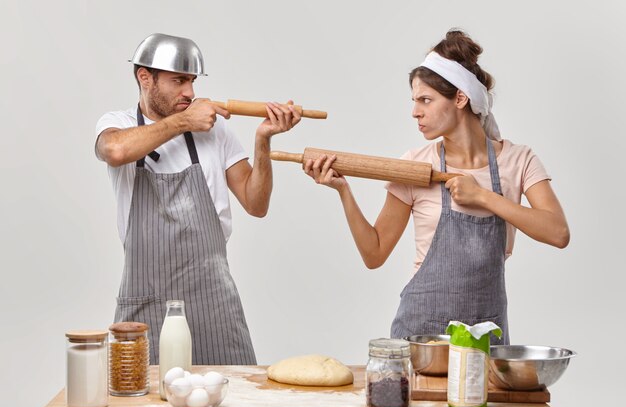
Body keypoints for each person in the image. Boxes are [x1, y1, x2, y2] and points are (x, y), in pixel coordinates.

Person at [303, 30, 569, 344]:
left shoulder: (518, 160)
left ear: (460, 97)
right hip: (419, 339)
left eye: (425, 100)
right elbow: (374, 253)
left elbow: (557, 233)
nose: (415, 111)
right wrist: (343, 190)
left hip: (485, 342)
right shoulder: (415, 167)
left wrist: (482, 196)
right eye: (414, 101)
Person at [95, 33, 302, 365]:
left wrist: (263, 141)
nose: (190, 92)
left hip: (214, 301)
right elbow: (115, 151)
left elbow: (256, 203)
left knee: (234, 398)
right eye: (178, 81)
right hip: (146, 302)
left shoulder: (215, 132)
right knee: (139, 403)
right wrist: (184, 122)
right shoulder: (117, 125)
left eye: (191, 81)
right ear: (144, 77)